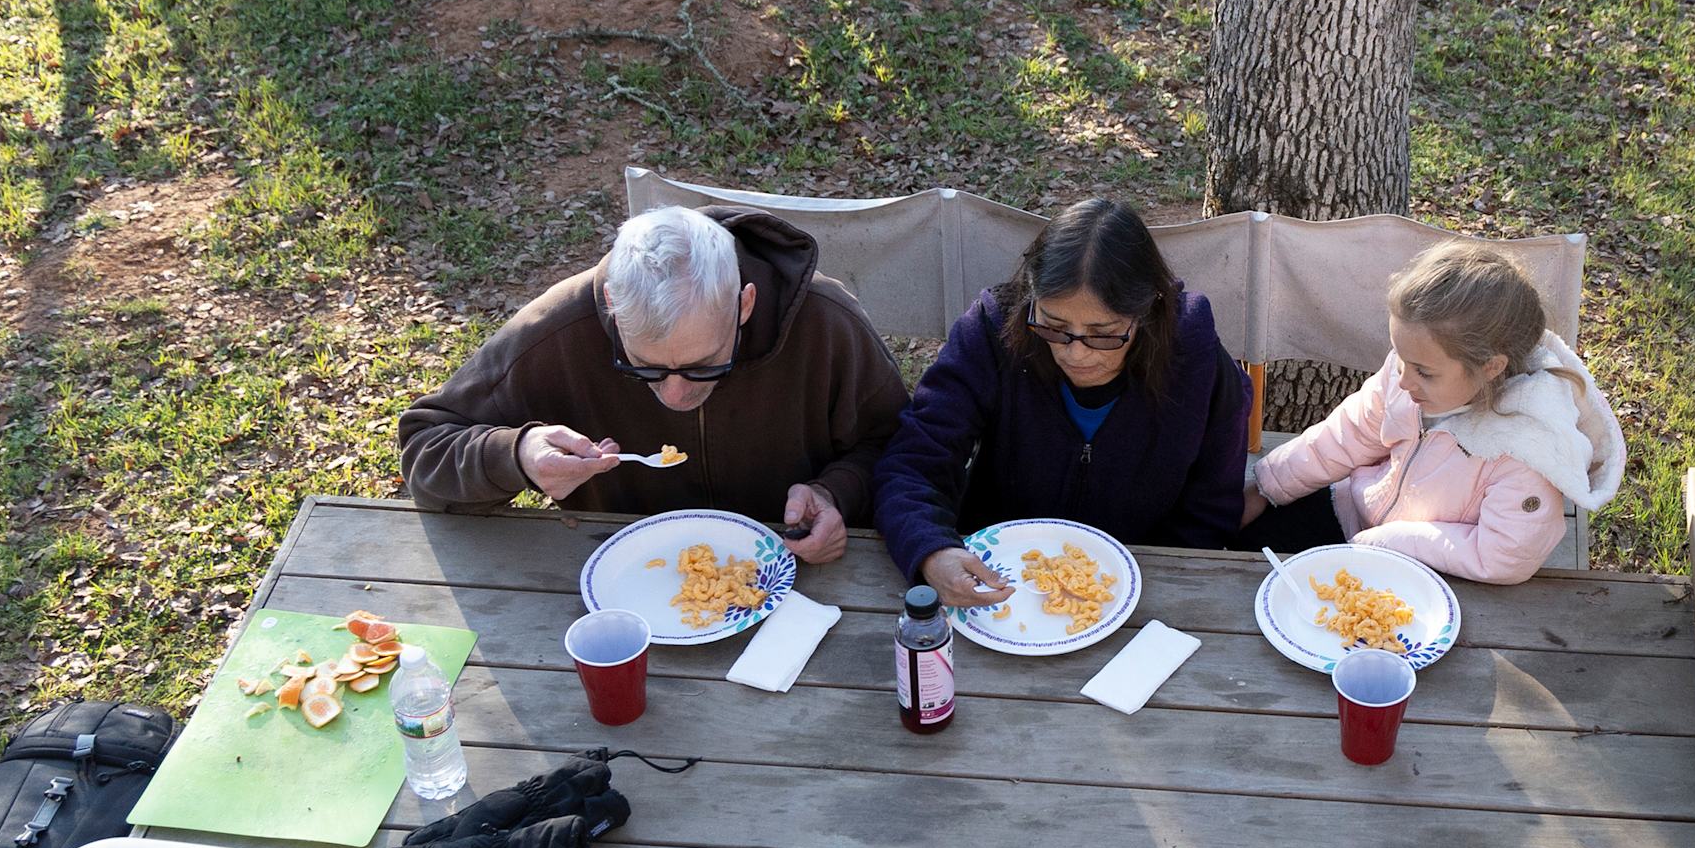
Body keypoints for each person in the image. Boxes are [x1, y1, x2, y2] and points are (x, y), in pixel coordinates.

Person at [396, 204, 902, 563]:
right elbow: (426, 451)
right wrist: (517, 455)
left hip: (800, 585)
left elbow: (902, 445)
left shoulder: (824, 322)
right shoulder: (559, 328)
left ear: (744, 305)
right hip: (622, 589)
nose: (677, 396)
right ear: (614, 308)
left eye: (705, 366)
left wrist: (835, 495)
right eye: (646, 369)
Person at [873, 197, 1252, 607]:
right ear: (1030, 297)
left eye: (1102, 333)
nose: (1075, 354)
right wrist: (931, 549)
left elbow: (1211, 507)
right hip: (999, 577)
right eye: (1053, 327)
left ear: (1147, 312)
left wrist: (1154, 591)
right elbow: (914, 462)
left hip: (1144, 584)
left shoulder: (1194, 357)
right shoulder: (991, 332)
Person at [1242, 241, 1624, 583]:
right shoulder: (1408, 372)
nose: (1404, 380)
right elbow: (1349, 433)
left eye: (1423, 372)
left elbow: (1503, 557)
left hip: (1437, 575)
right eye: (1400, 361)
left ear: (1490, 366)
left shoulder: (1529, 448)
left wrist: (1384, 543)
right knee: (1243, 556)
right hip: (1354, 515)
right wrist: (1268, 487)